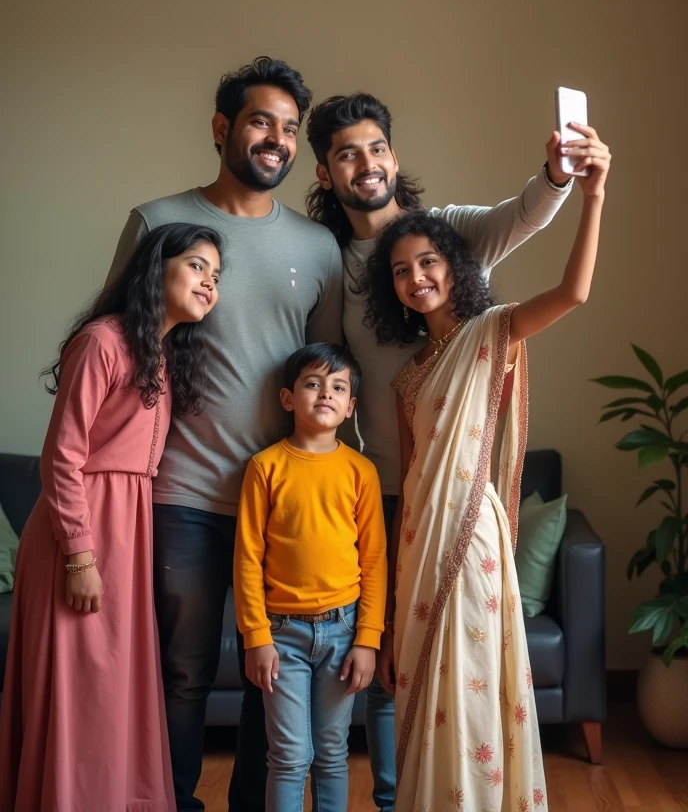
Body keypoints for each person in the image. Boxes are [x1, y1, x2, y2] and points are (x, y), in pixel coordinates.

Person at [305, 92, 611, 810]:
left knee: (470, 691)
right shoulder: (409, 372)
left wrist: (588, 190)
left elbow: (573, 289)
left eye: (429, 264)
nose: (416, 278)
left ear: (454, 261)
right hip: (406, 534)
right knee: (409, 689)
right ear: (325, 171)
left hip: (470, 538)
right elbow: (412, 476)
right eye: (402, 272)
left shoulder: (491, 331)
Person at [106, 58, 343, 811]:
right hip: (183, 490)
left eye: (288, 129)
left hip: (282, 504)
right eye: (259, 121)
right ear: (222, 129)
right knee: (182, 671)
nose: (276, 139)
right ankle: (174, 801)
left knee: (264, 676)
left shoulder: (318, 247)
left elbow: (327, 377)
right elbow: (118, 348)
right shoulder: (158, 222)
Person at [0, 223, 222, 812]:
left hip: (129, 529)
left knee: (114, 686)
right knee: (80, 687)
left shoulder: (162, 354)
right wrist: (79, 554)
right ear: (157, 267)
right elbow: (63, 455)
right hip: (84, 532)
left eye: (216, 276)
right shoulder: (103, 341)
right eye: (198, 266)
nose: (209, 282)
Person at [234, 343, 387, 812]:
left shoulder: (362, 472)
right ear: (288, 398)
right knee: (289, 755)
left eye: (338, 387)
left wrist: (368, 638)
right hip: (282, 637)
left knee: (333, 754)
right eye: (313, 383)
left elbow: (375, 561)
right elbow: (247, 559)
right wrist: (255, 637)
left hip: (344, 634)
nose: (326, 393)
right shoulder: (265, 467)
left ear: (350, 406)